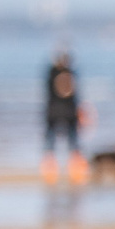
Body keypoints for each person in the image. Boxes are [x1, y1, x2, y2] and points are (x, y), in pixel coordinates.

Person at [42, 48, 87, 188]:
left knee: (53, 144)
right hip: (65, 111)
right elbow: (75, 95)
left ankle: (51, 174)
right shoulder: (69, 73)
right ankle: (74, 173)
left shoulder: (51, 73)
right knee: (71, 143)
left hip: (55, 111)